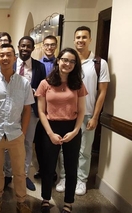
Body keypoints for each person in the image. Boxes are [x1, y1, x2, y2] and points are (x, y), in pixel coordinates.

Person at [56, 26, 110, 196]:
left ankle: (81, 180)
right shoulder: (68, 62)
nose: (81, 40)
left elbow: (102, 92)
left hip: (87, 114)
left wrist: (95, 116)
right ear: (74, 40)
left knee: (84, 150)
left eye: (84, 37)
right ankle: (64, 177)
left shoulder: (99, 63)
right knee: (64, 149)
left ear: (90, 40)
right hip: (67, 115)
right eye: (78, 37)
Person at [35, 47, 87, 213]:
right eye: (65, 60)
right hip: (50, 127)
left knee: (71, 167)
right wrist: (50, 133)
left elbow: (81, 111)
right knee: (48, 166)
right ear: (58, 61)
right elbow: (41, 111)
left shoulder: (78, 84)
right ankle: (45, 198)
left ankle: (69, 202)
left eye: (72, 61)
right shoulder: (45, 83)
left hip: (72, 127)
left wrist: (75, 131)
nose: (68, 64)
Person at [0, 44, 34, 213]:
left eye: (8, 55)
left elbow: (27, 109)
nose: (5, 58)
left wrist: (23, 132)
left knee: (19, 172)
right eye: (1, 55)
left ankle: (21, 201)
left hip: (16, 134)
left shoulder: (24, 83)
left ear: (14, 58)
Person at [4, 36, 46, 191]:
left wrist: (34, 92)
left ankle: (24, 174)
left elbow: (43, 88)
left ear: (33, 48)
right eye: (22, 46)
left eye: (28, 46)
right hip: (11, 111)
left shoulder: (40, 67)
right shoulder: (10, 63)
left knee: (28, 143)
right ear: (18, 46)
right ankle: (8, 174)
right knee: (9, 143)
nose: (25, 49)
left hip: (32, 111)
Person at [34, 35, 58, 181]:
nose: (49, 48)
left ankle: (53, 171)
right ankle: (42, 169)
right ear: (43, 46)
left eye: (52, 45)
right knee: (40, 142)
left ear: (56, 46)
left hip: (56, 109)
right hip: (40, 108)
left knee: (54, 142)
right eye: (47, 45)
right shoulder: (37, 65)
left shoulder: (61, 63)